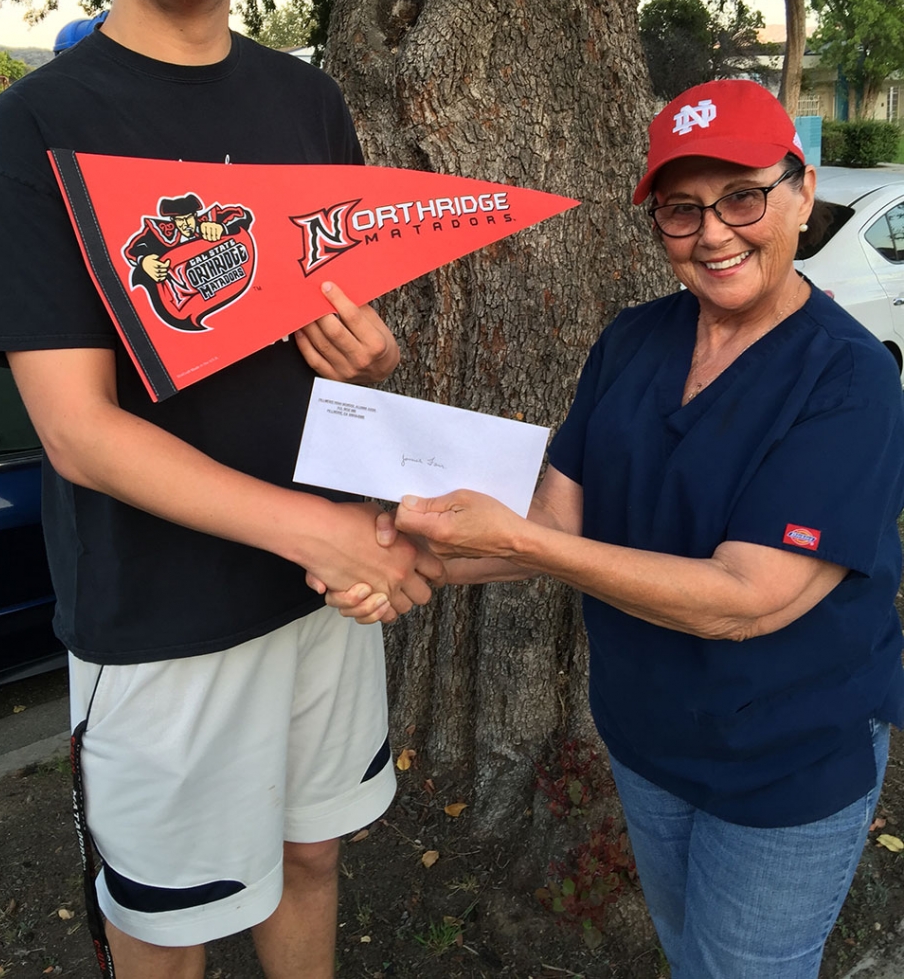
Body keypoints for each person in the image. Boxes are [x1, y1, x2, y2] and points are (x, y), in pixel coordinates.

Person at [0, 0, 443, 979]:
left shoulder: (307, 104)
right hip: (159, 628)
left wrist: (371, 364)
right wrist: (317, 534)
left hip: (319, 600)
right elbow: (76, 432)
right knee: (167, 929)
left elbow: (332, 368)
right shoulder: (38, 129)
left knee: (313, 861)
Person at [327, 79, 904, 978]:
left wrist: (519, 543)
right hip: (647, 738)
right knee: (688, 952)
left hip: (787, 761)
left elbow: (749, 601)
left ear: (802, 188)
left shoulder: (850, 379)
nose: (714, 232)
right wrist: (398, 556)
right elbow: (554, 516)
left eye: (743, 196)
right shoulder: (633, 341)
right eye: (682, 210)